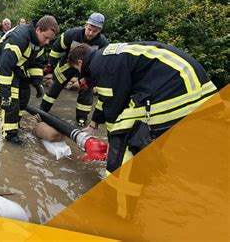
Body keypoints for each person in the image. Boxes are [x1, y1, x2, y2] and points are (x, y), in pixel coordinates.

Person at [68, 42, 217, 174]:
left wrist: (112, 145)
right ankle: (150, 169)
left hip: (181, 91)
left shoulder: (96, 66)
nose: (79, 73)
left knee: (124, 132)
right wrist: (94, 124)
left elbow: (113, 110)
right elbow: (106, 99)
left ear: (80, 62)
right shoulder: (105, 57)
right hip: (197, 87)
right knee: (142, 134)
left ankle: (116, 185)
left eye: (76, 69)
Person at [0, 15, 60, 144]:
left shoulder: (39, 42)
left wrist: (38, 83)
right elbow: (4, 66)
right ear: (38, 29)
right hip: (0, 67)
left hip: (18, 67)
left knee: (24, 95)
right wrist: (5, 94)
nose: (47, 42)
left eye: (50, 39)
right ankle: (9, 136)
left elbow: (36, 63)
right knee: (11, 102)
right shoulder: (19, 38)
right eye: (46, 37)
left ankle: (14, 124)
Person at [40, 13, 109, 126]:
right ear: (85, 25)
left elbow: (102, 64)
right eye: (89, 29)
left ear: (100, 30)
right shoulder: (71, 34)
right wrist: (50, 65)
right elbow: (57, 49)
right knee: (55, 86)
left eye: (94, 31)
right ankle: (43, 110)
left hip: (87, 71)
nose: (90, 33)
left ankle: (81, 119)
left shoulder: (103, 44)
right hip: (67, 64)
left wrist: (93, 80)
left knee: (86, 92)